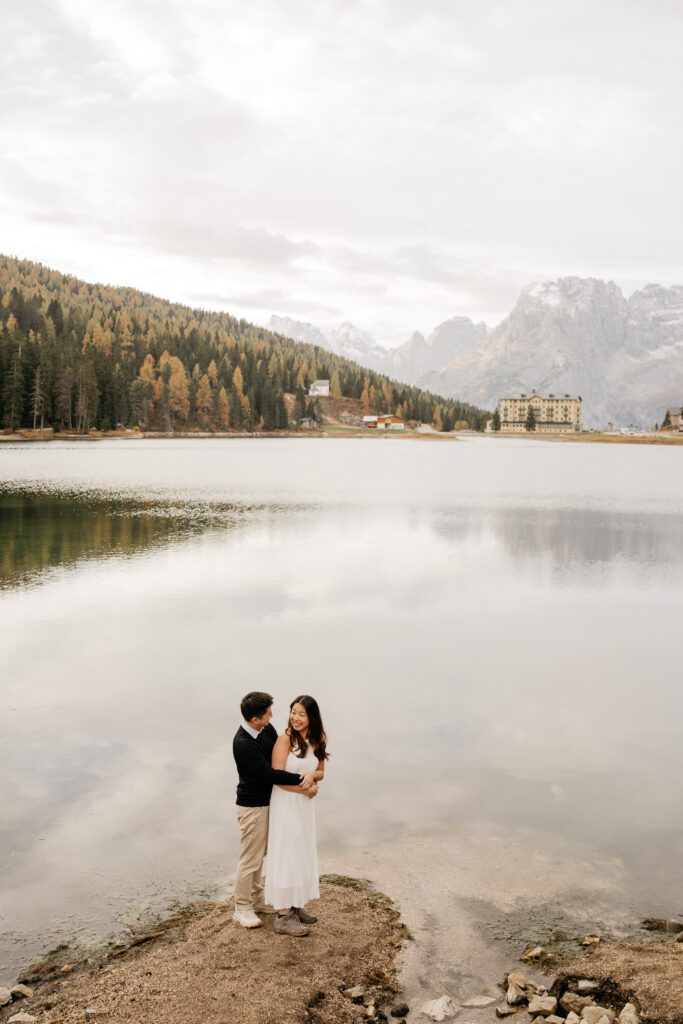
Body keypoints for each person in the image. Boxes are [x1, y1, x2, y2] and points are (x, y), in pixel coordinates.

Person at [232, 691, 318, 929]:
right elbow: (271, 773)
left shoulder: (265, 729)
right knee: (250, 858)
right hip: (252, 806)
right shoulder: (243, 744)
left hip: (270, 802)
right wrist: (304, 780)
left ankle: (259, 900)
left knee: (262, 853)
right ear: (255, 719)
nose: (272, 717)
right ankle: (241, 908)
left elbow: (280, 756)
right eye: (268, 714)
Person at [265, 695, 328, 937]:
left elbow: (321, 771)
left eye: (301, 714)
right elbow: (277, 777)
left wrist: (312, 776)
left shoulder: (317, 738)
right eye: (293, 712)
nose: (296, 717)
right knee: (286, 852)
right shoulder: (285, 739)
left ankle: (295, 903)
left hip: (303, 806)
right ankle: (282, 915)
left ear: (312, 717)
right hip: (286, 802)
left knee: (300, 851)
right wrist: (306, 789)